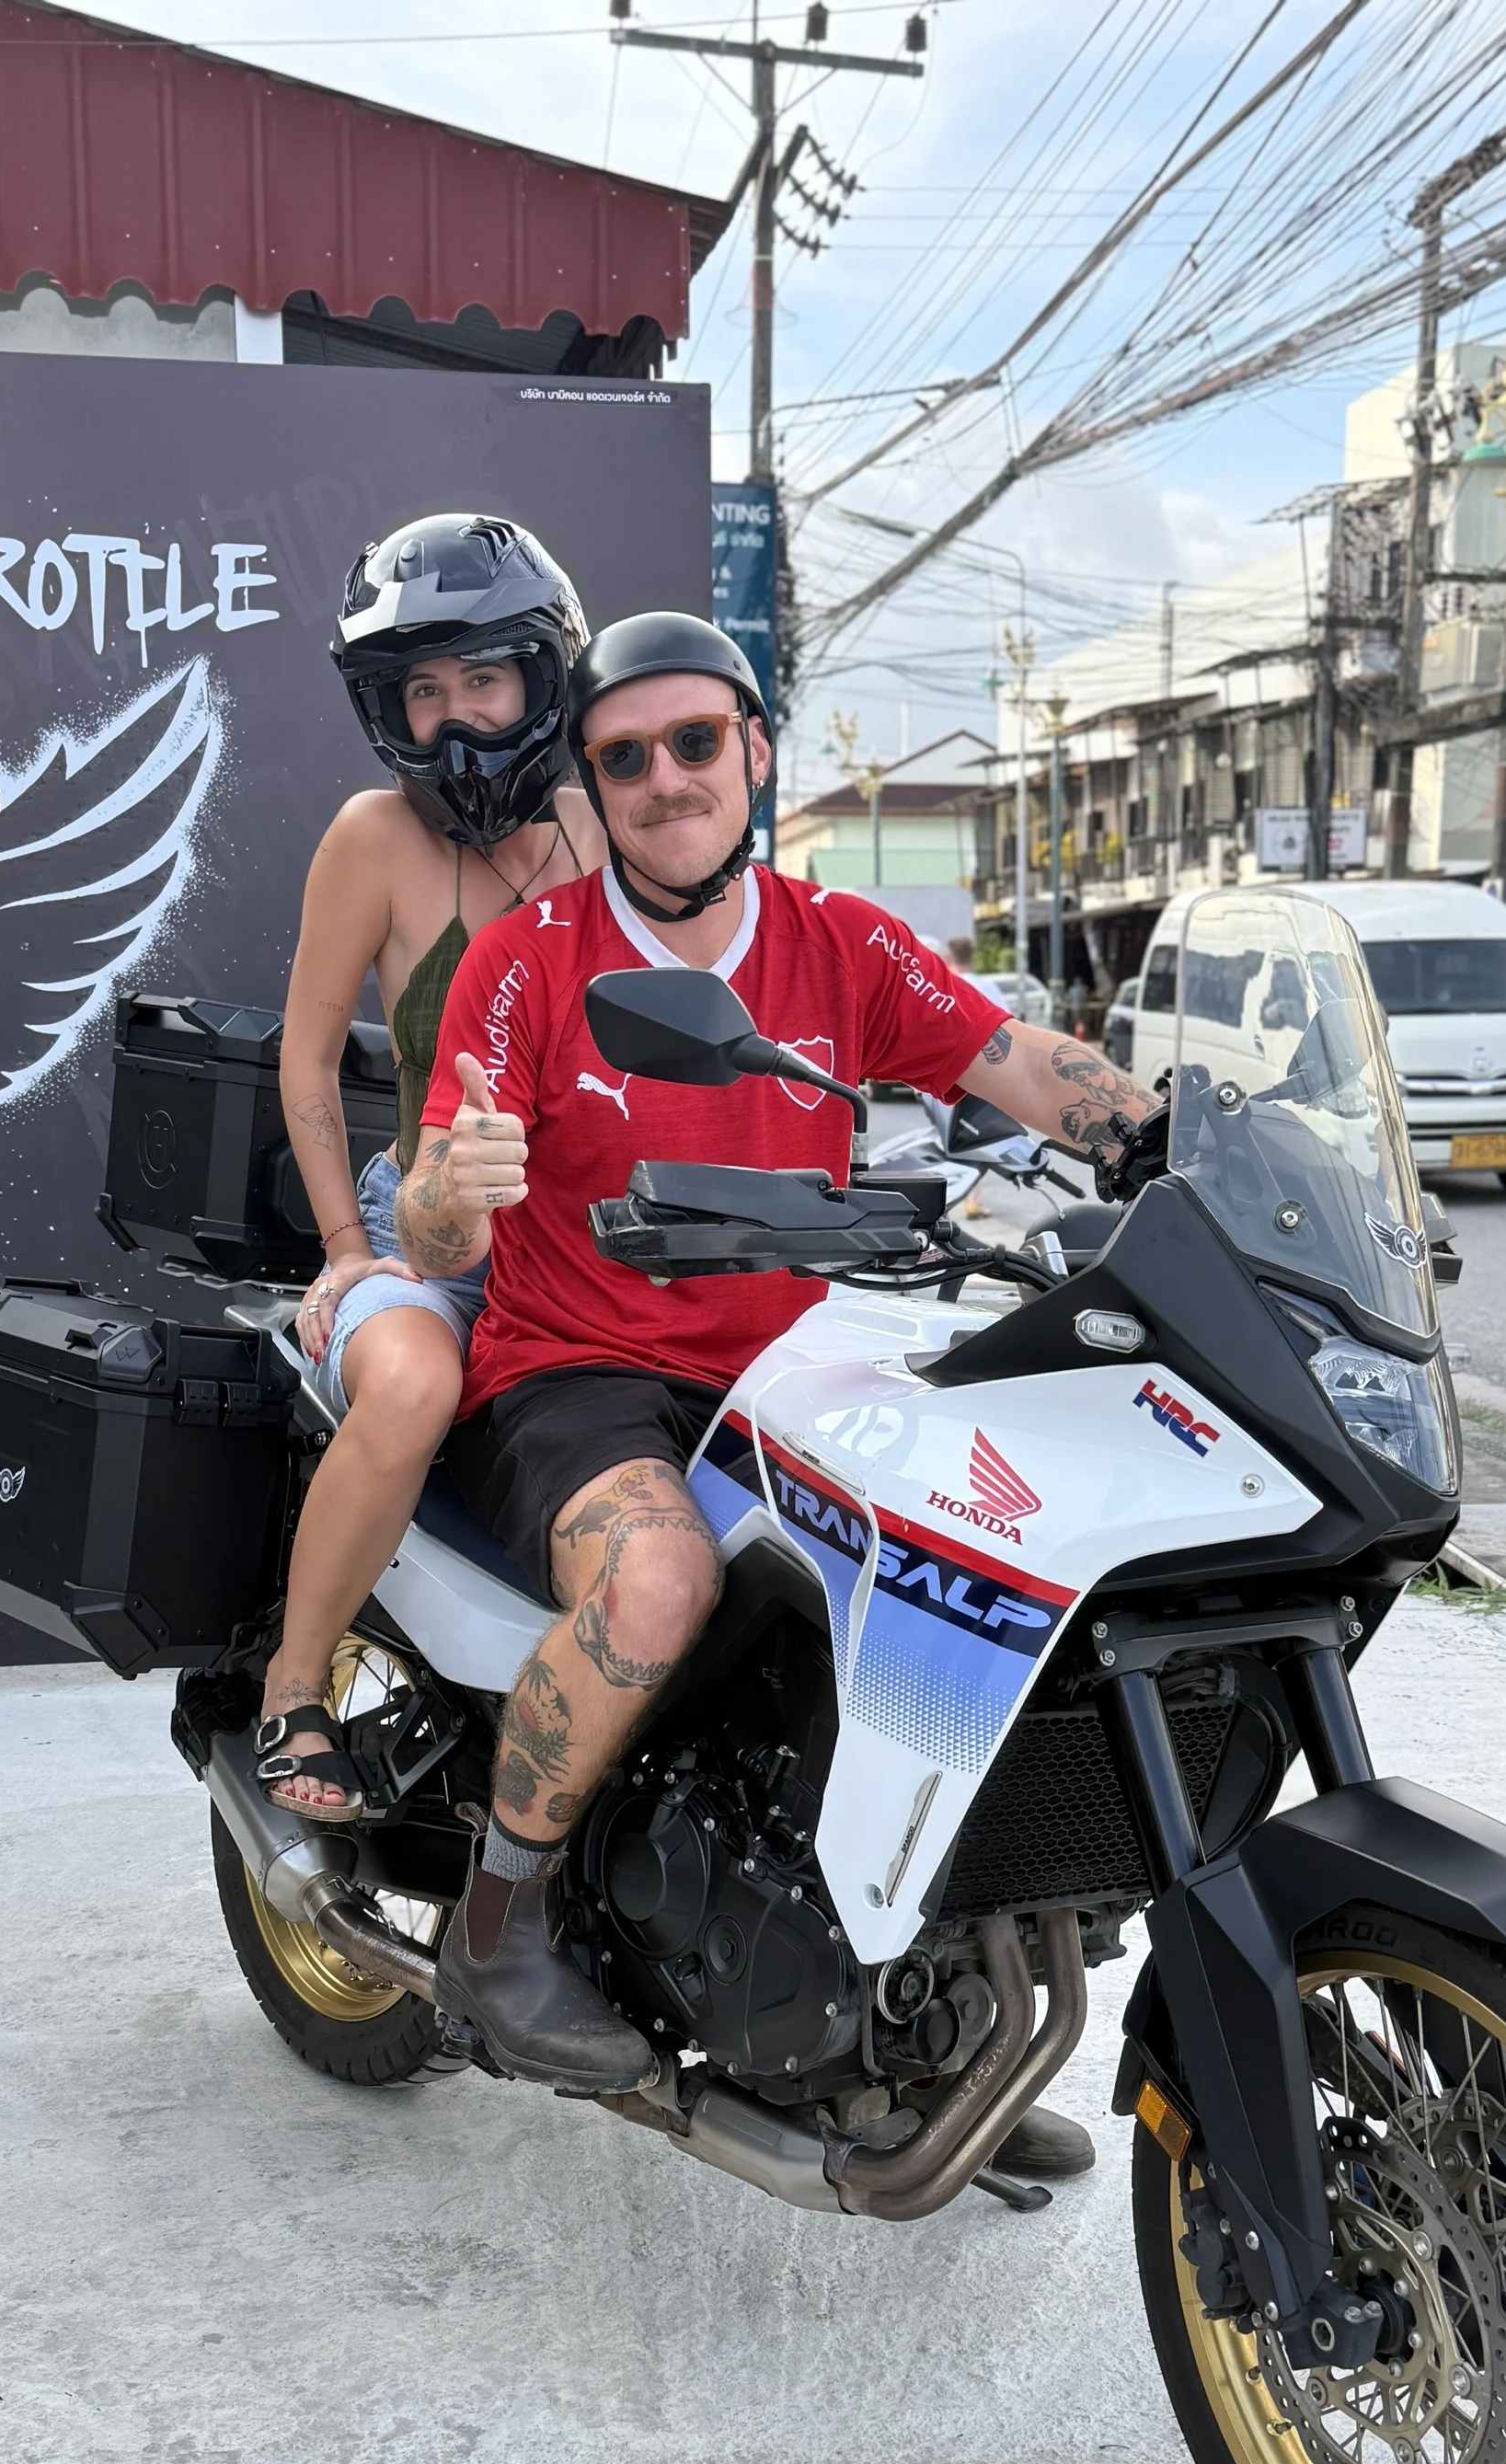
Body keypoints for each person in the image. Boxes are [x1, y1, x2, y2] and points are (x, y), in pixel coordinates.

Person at [394, 610, 1165, 2144]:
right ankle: (499, 1918)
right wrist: (450, 1192)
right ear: (593, 787)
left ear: (754, 749)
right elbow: (434, 1213)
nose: (664, 780)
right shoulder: (528, 959)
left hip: (802, 1372)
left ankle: (938, 2021)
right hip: (576, 1372)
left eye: (694, 742)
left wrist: (1178, 1145)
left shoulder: (842, 944)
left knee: (988, 1593)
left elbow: (1015, 1062)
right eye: (624, 759)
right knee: (659, 1582)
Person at [253, 513, 603, 1820]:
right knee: (407, 1387)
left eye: (485, 679)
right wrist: (350, 1250)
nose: (455, 718)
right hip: (432, 1240)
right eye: (423, 690)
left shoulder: (610, 829)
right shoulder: (373, 838)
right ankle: (294, 1688)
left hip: (604, 1256)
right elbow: (306, 1061)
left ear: (544, 675)